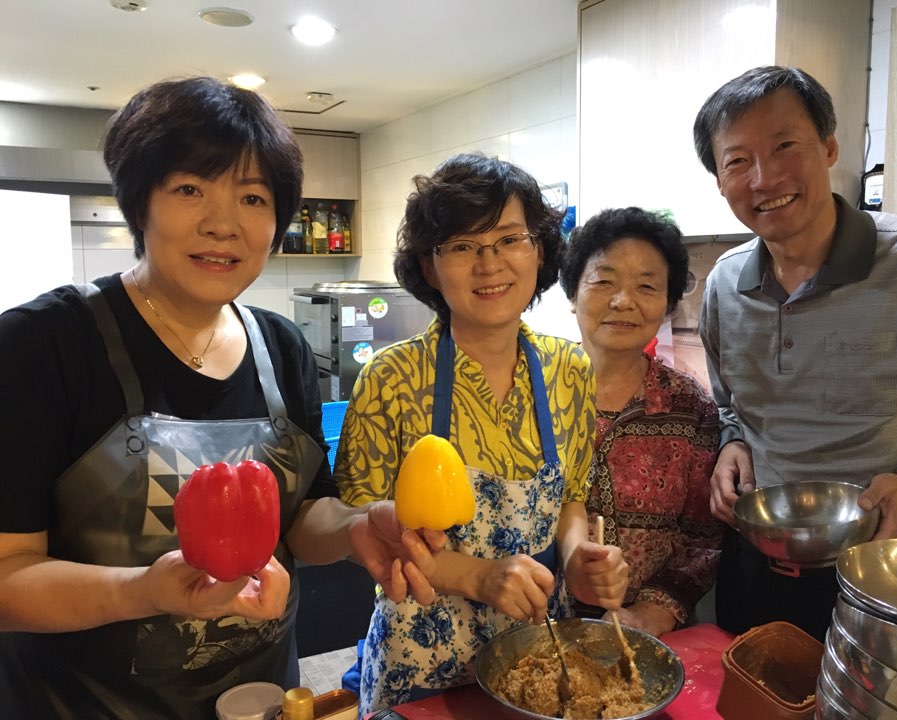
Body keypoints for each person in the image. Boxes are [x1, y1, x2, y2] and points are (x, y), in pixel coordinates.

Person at [0, 76, 442, 720]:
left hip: (261, 698)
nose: (222, 224)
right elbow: (7, 575)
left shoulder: (281, 346)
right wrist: (144, 591)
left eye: (253, 197)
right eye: (189, 189)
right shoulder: (42, 345)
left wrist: (352, 528)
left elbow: (301, 517)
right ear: (139, 203)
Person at [335, 152, 629, 715]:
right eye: (462, 246)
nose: (490, 264)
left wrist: (577, 559)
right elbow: (360, 528)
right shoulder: (391, 378)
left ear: (539, 250)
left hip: (539, 649)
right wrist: (477, 576)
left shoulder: (569, 369)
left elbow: (570, 499)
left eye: (510, 239)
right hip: (420, 655)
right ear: (429, 266)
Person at [693, 65, 897, 639]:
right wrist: (732, 443)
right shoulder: (723, 286)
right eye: (737, 161)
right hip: (760, 567)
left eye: (784, 146)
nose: (764, 178)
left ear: (830, 147)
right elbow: (730, 405)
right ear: (719, 180)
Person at [559, 206, 723, 638]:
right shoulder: (533, 392)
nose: (623, 301)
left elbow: (702, 540)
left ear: (667, 305)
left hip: (644, 639)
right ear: (572, 292)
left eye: (646, 286)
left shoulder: (690, 408)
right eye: (604, 281)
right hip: (533, 627)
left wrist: (650, 614)